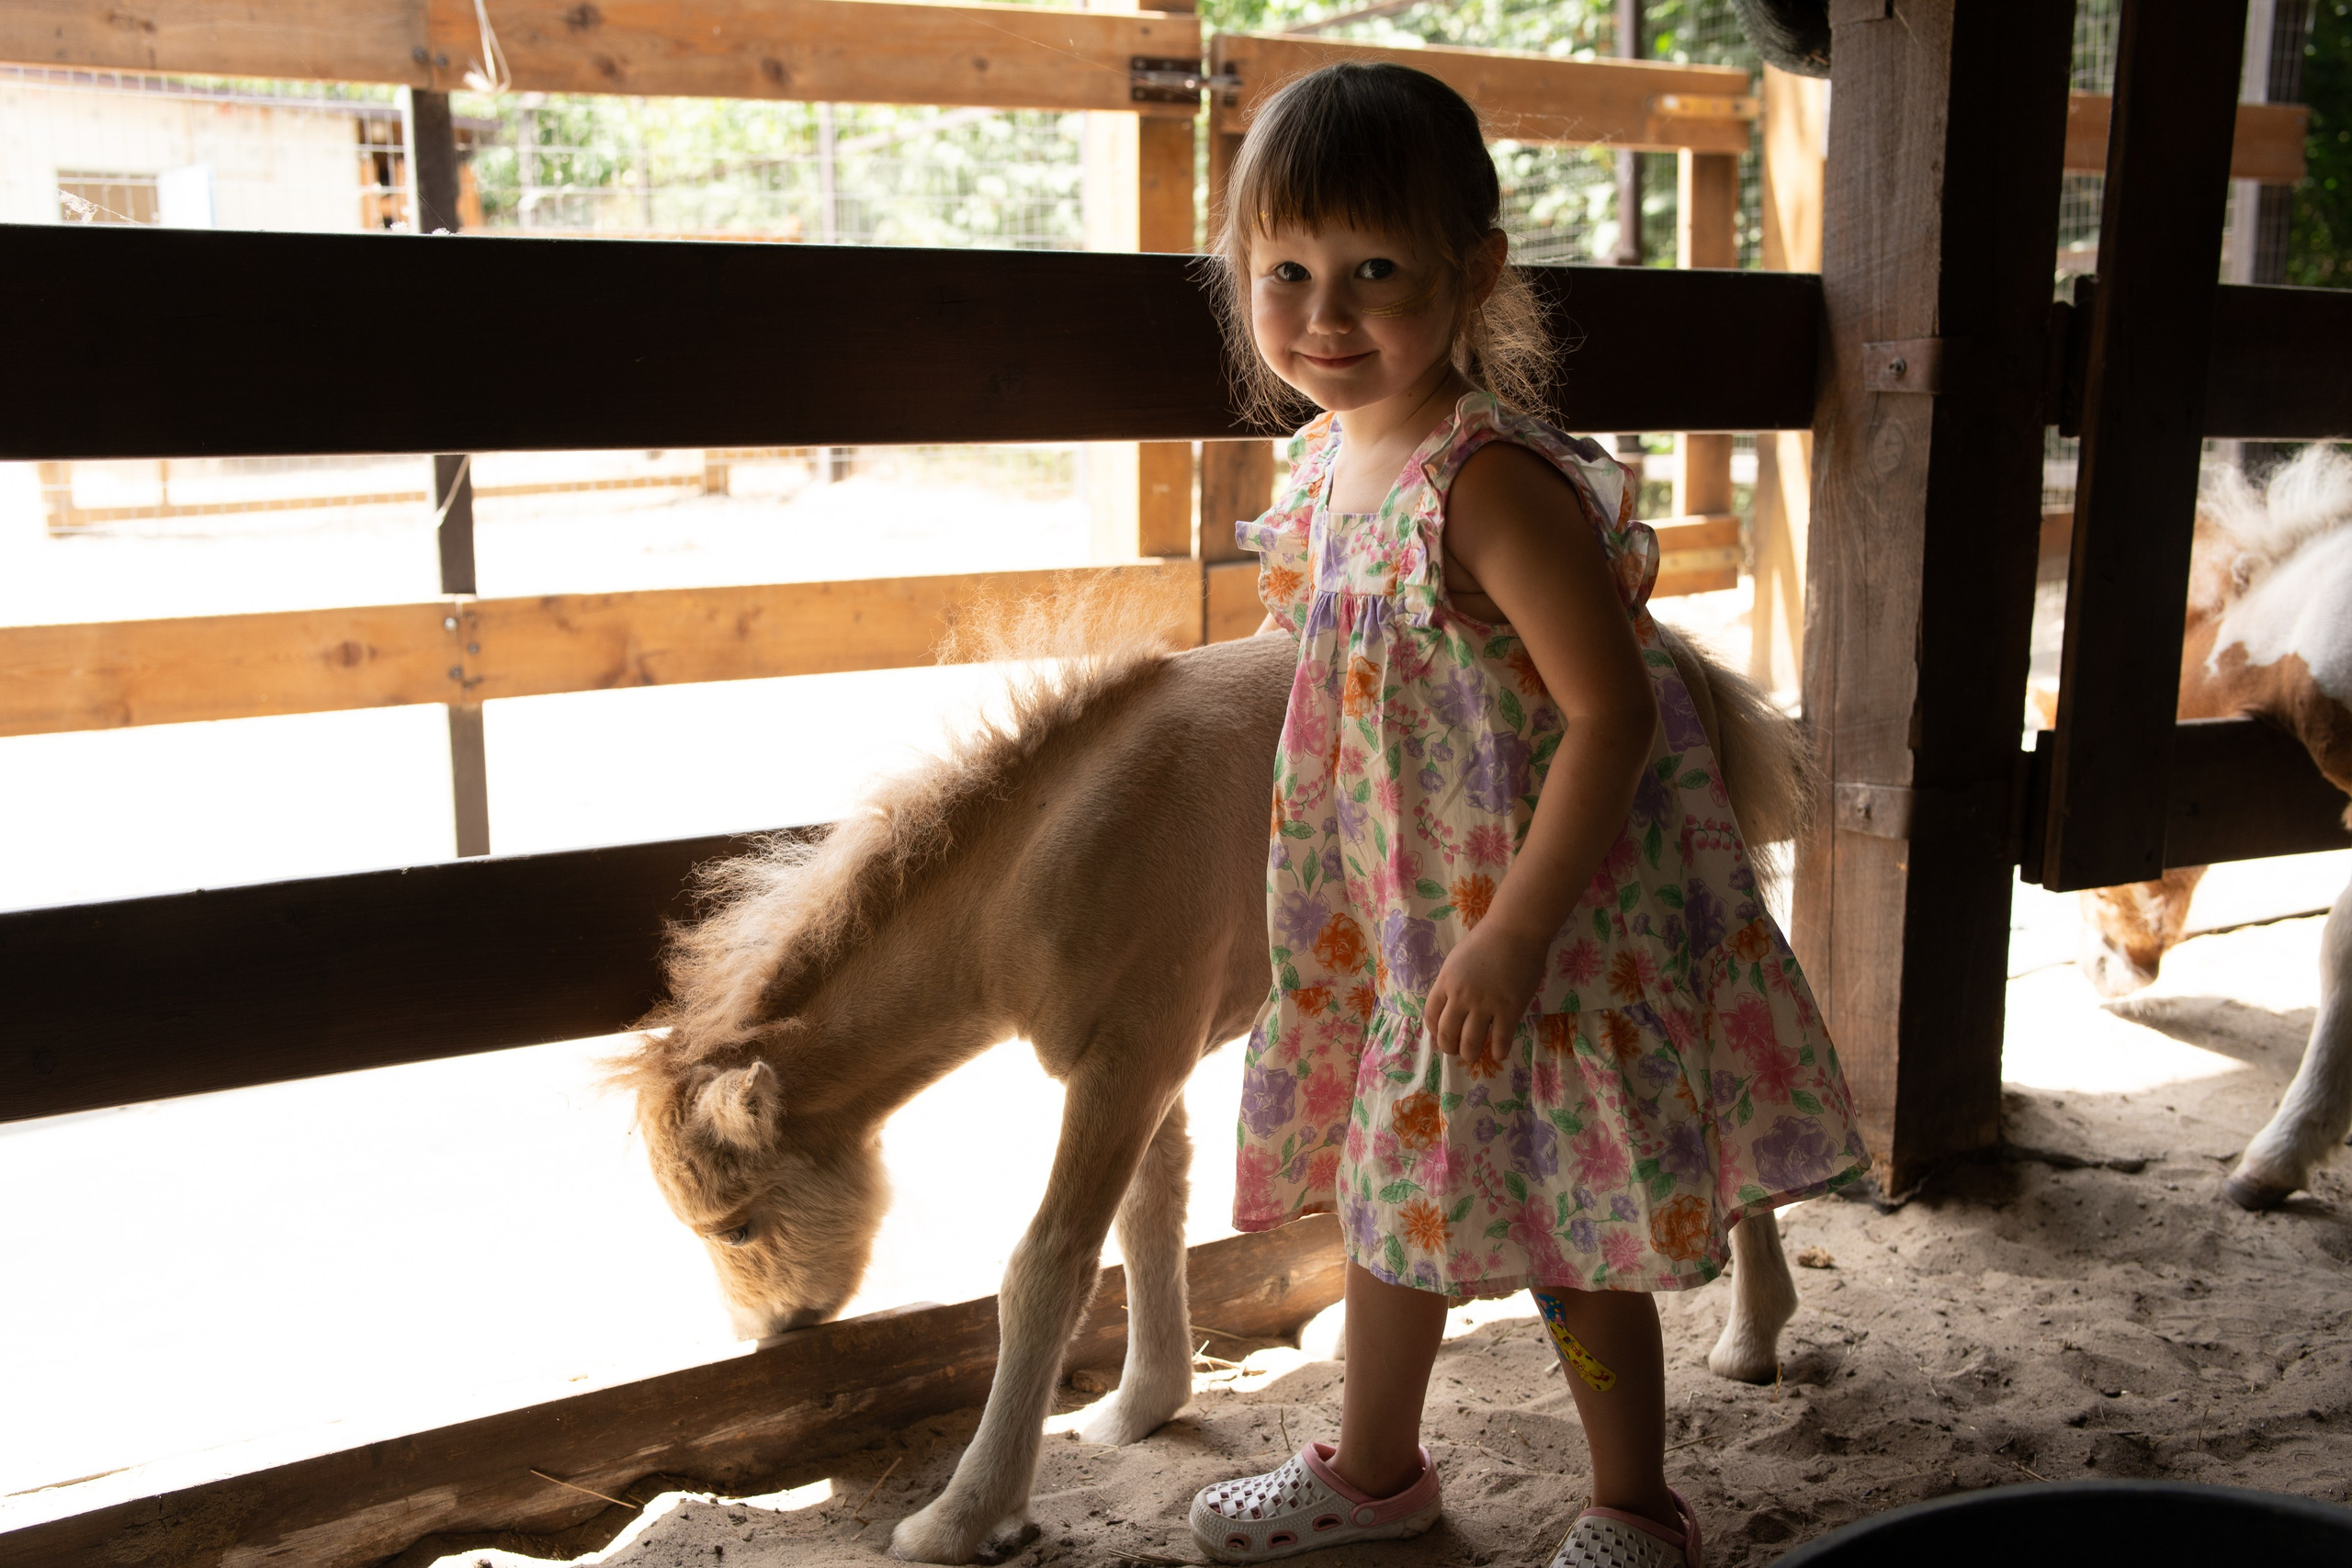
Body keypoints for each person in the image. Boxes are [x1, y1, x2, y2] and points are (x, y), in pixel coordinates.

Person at [1189, 62, 1869, 1568]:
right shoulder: (1322, 471)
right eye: (1286, 271)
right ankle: (1377, 1473)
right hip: (1411, 938)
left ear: (1472, 272)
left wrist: (1514, 934)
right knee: (1395, 1200)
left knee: (1573, 1225)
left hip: (1533, 945)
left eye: (1375, 270)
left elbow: (1613, 713)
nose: (1324, 313)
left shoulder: (1483, 484)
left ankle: (1636, 1508)